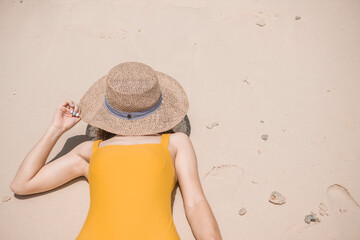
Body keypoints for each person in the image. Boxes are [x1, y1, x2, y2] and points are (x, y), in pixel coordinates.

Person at [10, 62, 223, 240]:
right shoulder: (89, 152)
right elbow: (22, 185)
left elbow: (196, 203)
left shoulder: (175, 143)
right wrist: (56, 129)